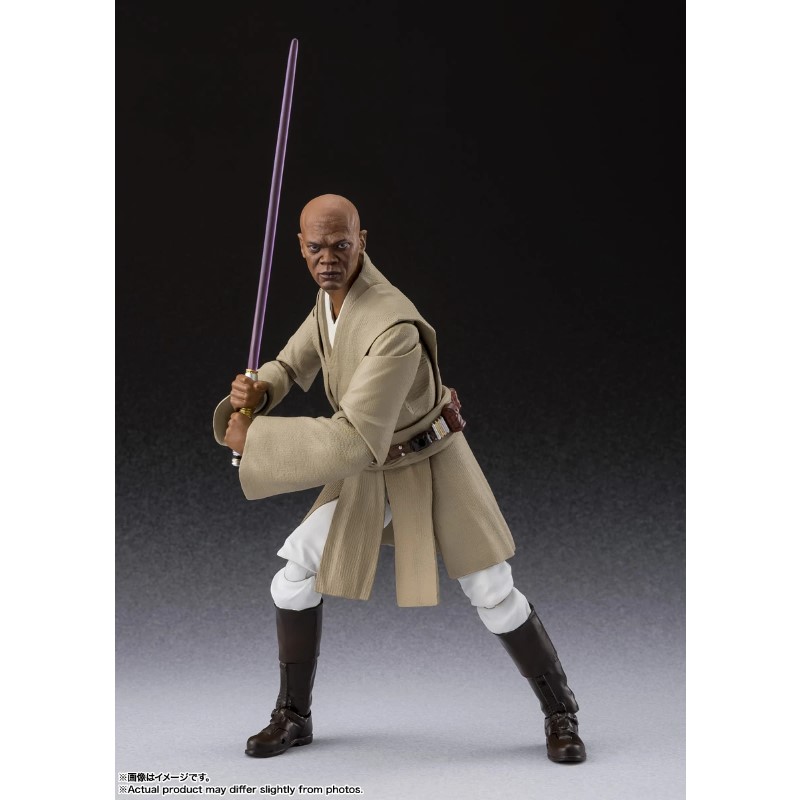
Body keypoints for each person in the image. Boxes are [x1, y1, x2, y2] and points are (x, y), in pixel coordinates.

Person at [213, 194, 586, 763]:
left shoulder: (393, 325)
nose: (328, 258)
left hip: (430, 464)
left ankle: (560, 711)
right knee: (293, 578)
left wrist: (257, 439)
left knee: (492, 590)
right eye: (316, 247)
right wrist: (262, 388)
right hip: (372, 471)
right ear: (300, 249)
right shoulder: (329, 302)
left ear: (362, 242)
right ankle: (294, 713)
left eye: (340, 245)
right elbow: (291, 363)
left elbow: (350, 439)